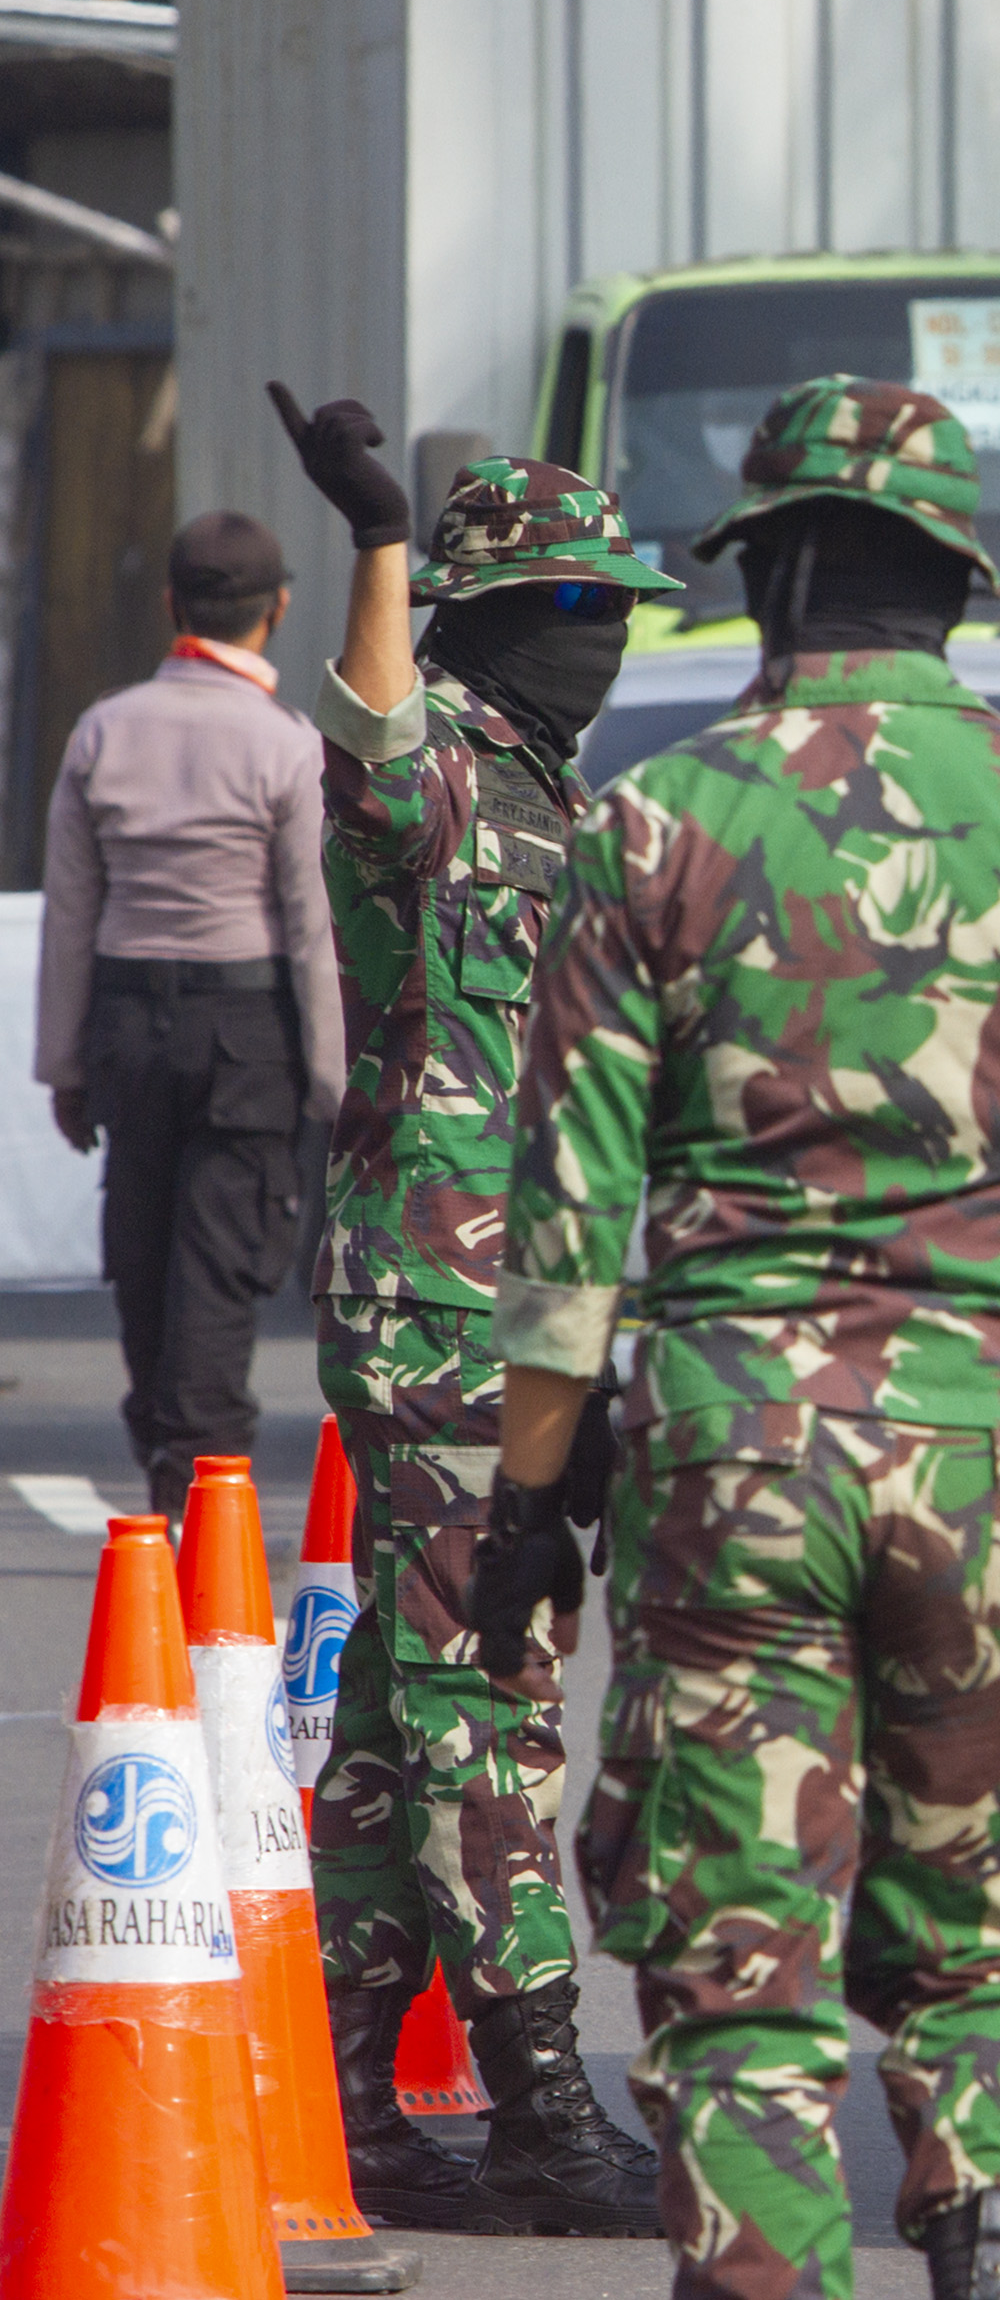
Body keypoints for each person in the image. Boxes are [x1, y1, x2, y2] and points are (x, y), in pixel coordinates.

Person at [469, 374, 1000, 2300]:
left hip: (735, 1446)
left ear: (774, 572)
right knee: (988, 1928)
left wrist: (531, 1503)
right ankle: (995, 2223)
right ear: (957, 586)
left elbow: (567, 1219)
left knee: (739, 1945)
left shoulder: (656, 820)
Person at [272, 388, 674, 2238]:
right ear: (494, 614)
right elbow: (365, 739)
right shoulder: (440, 768)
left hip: (525, 1313)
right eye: (576, 606)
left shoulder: (557, 794)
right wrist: (376, 539)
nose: (604, 639)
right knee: (490, 1694)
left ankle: (343, 2089)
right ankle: (537, 2102)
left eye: (618, 610)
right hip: (442, 1307)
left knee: (391, 1714)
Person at [33, 507, 345, 1511]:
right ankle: (197, 1491)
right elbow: (311, 927)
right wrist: (335, 1090)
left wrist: (64, 1067)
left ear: (173, 604)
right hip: (248, 1038)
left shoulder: (103, 730)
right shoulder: (287, 745)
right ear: (277, 610)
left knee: (141, 1253)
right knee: (218, 1264)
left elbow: (71, 914)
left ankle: (166, 1455)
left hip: (127, 1028)